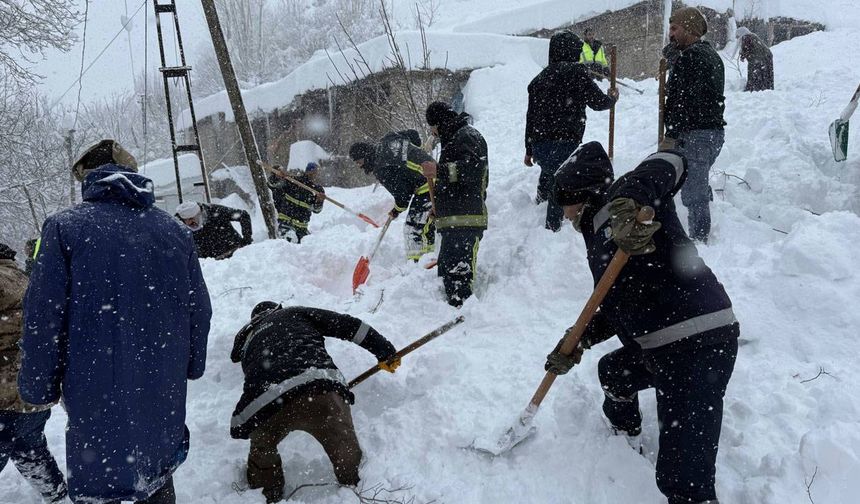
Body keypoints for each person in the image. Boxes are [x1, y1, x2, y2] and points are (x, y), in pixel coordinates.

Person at [19, 139, 212, 504]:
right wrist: (191, 363)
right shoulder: (175, 232)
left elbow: (43, 317)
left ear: (88, 179)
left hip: (95, 386)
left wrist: (38, 386)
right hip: (161, 387)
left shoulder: (63, 229)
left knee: (104, 479)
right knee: (155, 473)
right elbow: (199, 310)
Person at [547, 141, 739, 504]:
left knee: (682, 479)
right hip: (659, 347)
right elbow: (618, 303)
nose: (565, 212)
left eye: (565, 202)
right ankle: (625, 436)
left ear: (581, 193)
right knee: (613, 373)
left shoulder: (624, 197)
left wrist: (634, 197)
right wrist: (578, 339)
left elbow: (672, 157)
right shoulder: (596, 233)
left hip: (697, 342)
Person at [230, 302, 400, 503]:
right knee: (343, 446)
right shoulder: (293, 313)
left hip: (264, 403)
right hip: (317, 387)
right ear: (277, 308)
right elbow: (347, 325)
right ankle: (356, 487)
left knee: (263, 449)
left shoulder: (249, 341)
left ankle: (264, 493)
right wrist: (385, 350)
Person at [524, 31, 619, 231]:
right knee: (562, 183)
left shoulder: (537, 80)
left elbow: (530, 118)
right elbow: (597, 102)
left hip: (540, 143)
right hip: (565, 141)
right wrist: (612, 98)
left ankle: (539, 204)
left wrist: (529, 150)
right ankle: (552, 229)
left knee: (550, 169)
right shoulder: (577, 73)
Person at [0, 243, 68, 503]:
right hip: (32, 388)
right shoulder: (24, 279)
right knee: (30, 447)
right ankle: (57, 495)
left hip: (3, 392)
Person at [660, 7, 726, 243]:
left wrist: (672, 133)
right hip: (710, 133)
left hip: (696, 135)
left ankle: (699, 241)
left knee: (693, 191)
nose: (671, 34)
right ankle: (702, 228)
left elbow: (683, 100)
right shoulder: (706, 55)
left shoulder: (693, 58)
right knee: (696, 181)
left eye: (675, 28)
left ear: (689, 29)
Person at [423, 102, 489, 307]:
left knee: (459, 274)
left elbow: (474, 171)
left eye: (432, 128)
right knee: (447, 272)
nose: (432, 133)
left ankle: (464, 320)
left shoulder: (466, 136)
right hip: (453, 219)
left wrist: (439, 171)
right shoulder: (453, 137)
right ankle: (453, 314)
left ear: (439, 123)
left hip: (466, 219)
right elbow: (453, 183)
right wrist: (439, 207)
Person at [349, 130, 437, 261]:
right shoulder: (387, 139)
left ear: (364, 157)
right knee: (425, 225)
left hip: (429, 185)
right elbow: (412, 134)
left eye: (358, 162)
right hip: (438, 173)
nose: (359, 166)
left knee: (412, 229)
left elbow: (403, 196)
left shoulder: (380, 168)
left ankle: (416, 263)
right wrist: (417, 153)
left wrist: (396, 210)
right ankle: (429, 259)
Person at [268, 162, 325, 243]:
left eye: (316, 172)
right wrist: (276, 176)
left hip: (302, 228)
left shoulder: (317, 190)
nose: (314, 175)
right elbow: (272, 185)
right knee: (290, 243)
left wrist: (319, 201)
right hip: (286, 223)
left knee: (309, 247)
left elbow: (316, 210)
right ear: (307, 171)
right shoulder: (293, 181)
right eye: (312, 172)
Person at [175, 201, 253, 259]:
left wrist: (247, 238)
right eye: (186, 220)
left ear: (200, 213)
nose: (190, 222)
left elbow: (243, 215)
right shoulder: (178, 225)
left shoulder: (216, 211)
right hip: (209, 266)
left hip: (234, 254)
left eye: (192, 218)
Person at [736, 27, 774, 92]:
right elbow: (746, 48)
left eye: (738, 36)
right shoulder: (751, 36)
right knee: (763, 73)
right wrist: (743, 54)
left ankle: (754, 88)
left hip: (762, 57)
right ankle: (763, 87)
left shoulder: (747, 37)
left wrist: (743, 55)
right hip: (765, 56)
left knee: (755, 71)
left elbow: (747, 48)